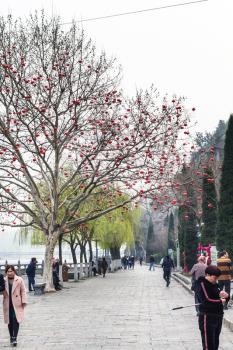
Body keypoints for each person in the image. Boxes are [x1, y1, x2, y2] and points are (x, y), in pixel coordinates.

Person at [196, 265, 228, 350]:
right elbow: (206, 300)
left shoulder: (215, 284)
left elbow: (220, 298)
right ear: (208, 275)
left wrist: (226, 296)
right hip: (207, 317)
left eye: (217, 278)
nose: (216, 280)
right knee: (208, 345)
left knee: (215, 343)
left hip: (218, 316)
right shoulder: (202, 284)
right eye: (215, 277)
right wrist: (220, 301)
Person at [3, 265, 27, 347]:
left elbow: (23, 291)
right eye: (8, 271)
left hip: (17, 303)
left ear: (14, 271)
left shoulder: (19, 279)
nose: (9, 273)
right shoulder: (3, 280)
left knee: (16, 320)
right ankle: (11, 336)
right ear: (6, 272)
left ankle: (15, 337)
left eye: (11, 271)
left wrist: (24, 301)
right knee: (9, 321)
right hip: (7, 303)